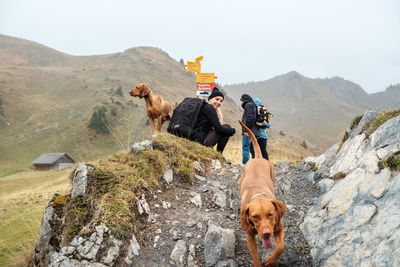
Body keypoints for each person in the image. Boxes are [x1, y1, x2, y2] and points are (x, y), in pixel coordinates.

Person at [190, 87, 235, 153]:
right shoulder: (209, 109)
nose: (219, 102)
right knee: (227, 127)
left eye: (221, 101)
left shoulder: (203, 107)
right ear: (210, 99)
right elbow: (219, 129)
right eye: (217, 99)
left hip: (195, 139)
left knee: (225, 129)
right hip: (201, 142)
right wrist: (232, 131)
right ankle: (219, 154)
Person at [240, 94, 259, 164]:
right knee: (253, 149)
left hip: (249, 131)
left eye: (241, 100)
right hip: (255, 131)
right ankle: (256, 164)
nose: (241, 103)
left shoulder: (248, 105)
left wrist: (246, 130)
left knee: (245, 148)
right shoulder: (254, 105)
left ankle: (245, 164)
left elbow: (249, 118)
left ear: (244, 100)